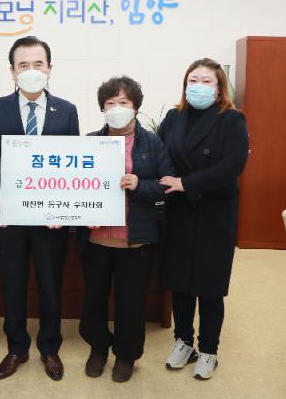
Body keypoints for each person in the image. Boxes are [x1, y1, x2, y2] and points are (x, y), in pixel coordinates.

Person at [0, 35, 80, 381]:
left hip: (51, 218)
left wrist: (64, 207)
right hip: (12, 217)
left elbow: (72, 163)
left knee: (51, 284)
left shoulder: (67, 110)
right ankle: (17, 347)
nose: (31, 70)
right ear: (12, 71)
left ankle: (50, 348)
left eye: (38, 63)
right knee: (13, 283)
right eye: (24, 65)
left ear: (49, 68)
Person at [77, 76, 175, 382]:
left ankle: (126, 355)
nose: (117, 108)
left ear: (135, 107)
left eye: (123, 102)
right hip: (96, 240)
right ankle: (98, 348)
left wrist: (140, 185)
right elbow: (76, 187)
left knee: (131, 303)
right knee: (94, 298)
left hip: (135, 241)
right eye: (110, 103)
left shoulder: (152, 142)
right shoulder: (90, 141)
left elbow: (167, 185)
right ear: (102, 108)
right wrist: (81, 214)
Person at [157, 58, 249, 380]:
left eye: (206, 81)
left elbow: (233, 165)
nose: (198, 86)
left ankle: (209, 350)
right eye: (192, 80)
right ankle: (183, 342)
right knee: (180, 283)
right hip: (179, 211)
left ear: (219, 87)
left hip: (214, 213)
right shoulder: (173, 117)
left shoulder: (232, 120)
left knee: (210, 286)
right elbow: (160, 154)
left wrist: (188, 183)